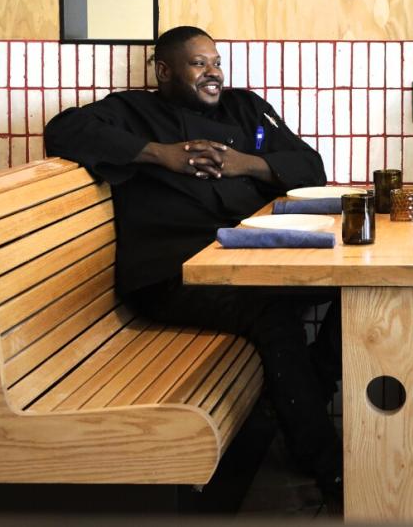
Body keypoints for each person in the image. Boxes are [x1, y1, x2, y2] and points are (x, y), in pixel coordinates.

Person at [43, 25, 343, 501]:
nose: (213, 73)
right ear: (164, 71)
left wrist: (244, 163)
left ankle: (309, 394)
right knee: (272, 316)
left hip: (245, 260)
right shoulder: (132, 112)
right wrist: (161, 155)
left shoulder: (243, 107)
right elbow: (61, 131)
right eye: (199, 63)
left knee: (354, 289)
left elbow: (311, 167)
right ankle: (328, 467)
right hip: (171, 276)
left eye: (217, 62)